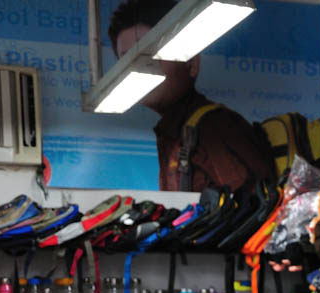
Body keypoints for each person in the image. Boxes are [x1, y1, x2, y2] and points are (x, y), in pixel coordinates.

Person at [109, 0, 275, 191]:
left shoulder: (214, 126)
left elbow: (255, 204)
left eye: (152, 54)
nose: (141, 69)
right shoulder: (174, 133)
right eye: (128, 60)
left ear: (192, 64)